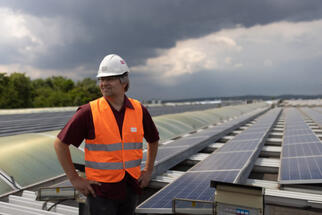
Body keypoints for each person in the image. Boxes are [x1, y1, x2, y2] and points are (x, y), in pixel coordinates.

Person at [54, 54, 159, 215]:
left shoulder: (139, 110)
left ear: (124, 81)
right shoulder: (88, 112)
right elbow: (60, 144)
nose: (103, 84)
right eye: (101, 79)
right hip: (101, 193)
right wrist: (74, 178)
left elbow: (153, 140)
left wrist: (148, 170)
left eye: (109, 79)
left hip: (131, 188)